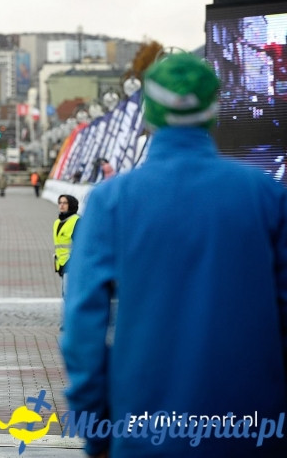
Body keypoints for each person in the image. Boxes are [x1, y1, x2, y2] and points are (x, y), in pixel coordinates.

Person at [61, 53, 287, 457]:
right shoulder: (267, 196)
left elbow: (82, 326)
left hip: (143, 429)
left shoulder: (112, 201)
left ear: (149, 112)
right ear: (214, 112)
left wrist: (95, 427)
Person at [53, 194, 79, 327]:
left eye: (65, 203)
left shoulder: (76, 221)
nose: (61, 205)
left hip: (73, 263)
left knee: (68, 294)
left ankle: (69, 323)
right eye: (60, 202)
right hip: (62, 263)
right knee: (66, 293)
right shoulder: (58, 222)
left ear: (71, 205)